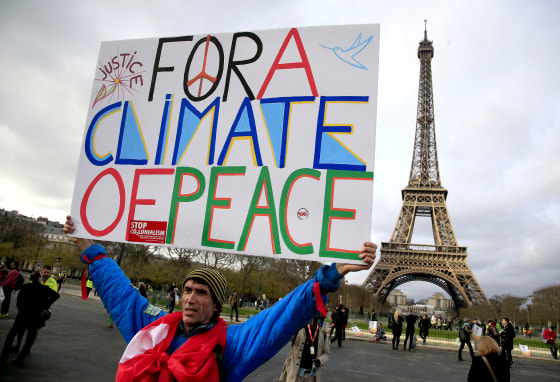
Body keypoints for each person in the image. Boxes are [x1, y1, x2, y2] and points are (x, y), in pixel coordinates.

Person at [63, 216, 376, 381]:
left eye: (201, 293)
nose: (189, 298)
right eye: (187, 290)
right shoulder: (155, 326)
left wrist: (333, 273)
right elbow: (121, 294)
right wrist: (87, 245)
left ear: (216, 305)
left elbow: (282, 315)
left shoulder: (232, 343)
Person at [0, 271, 59, 366]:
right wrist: (46, 305)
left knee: (12, 335)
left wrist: (21, 309)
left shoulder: (25, 287)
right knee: (29, 339)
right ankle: (20, 358)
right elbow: (56, 295)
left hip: (22, 315)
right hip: (36, 316)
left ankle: (4, 355)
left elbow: (18, 302)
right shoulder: (44, 288)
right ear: (39, 278)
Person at [279, 314, 329, 382]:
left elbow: (326, 353)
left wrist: (320, 360)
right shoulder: (298, 329)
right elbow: (286, 335)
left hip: (311, 376)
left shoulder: (323, 334)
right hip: (295, 374)